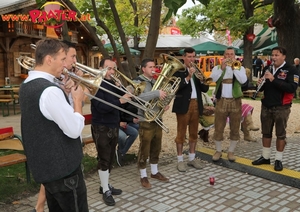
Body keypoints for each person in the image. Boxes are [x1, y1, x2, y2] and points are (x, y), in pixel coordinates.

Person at [19, 38, 88, 212]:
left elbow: (44, 121)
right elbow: (74, 130)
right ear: (49, 60)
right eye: (62, 59)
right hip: (64, 171)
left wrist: (63, 94)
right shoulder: (49, 90)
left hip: (47, 169)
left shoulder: (27, 84)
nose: (66, 65)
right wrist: (78, 102)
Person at [91, 58, 132, 206]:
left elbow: (125, 105)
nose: (112, 72)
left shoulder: (113, 84)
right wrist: (121, 100)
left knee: (109, 158)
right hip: (101, 126)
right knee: (104, 159)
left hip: (113, 125)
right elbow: (102, 107)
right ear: (100, 68)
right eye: (108, 68)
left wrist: (122, 89)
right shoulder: (95, 85)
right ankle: (105, 190)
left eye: (113, 69)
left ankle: (105, 185)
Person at [252, 46, 299, 171]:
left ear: (284, 56)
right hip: (266, 105)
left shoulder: (291, 69)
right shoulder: (268, 68)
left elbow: (292, 88)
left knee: (280, 134)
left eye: (276, 55)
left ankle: (278, 159)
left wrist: (273, 79)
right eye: (272, 55)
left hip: (281, 107)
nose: (273, 58)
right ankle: (265, 157)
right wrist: (260, 84)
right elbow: (263, 88)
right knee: (266, 133)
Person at [172, 47, 209, 172]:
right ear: (184, 57)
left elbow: (204, 90)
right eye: (189, 56)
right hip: (183, 105)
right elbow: (176, 87)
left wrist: (203, 79)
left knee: (193, 133)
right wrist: (188, 76)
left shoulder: (197, 70)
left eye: (193, 56)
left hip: (196, 105)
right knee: (181, 134)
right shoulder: (178, 70)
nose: (192, 59)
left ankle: (192, 158)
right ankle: (180, 160)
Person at [135, 58, 169, 189]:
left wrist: (164, 104)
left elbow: (161, 98)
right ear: (143, 69)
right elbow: (138, 98)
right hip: (145, 119)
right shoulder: (138, 81)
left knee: (156, 145)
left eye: (154, 66)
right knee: (145, 148)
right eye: (150, 67)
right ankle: (143, 175)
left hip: (157, 118)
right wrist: (156, 93)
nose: (153, 69)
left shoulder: (156, 81)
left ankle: (154, 172)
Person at [210, 47, 247, 162]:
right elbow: (213, 78)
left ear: (235, 56)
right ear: (224, 56)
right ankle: (218, 150)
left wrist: (234, 67)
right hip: (221, 100)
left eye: (232, 54)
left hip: (235, 100)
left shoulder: (240, 68)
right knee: (219, 127)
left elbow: (243, 81)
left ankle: (231, 151)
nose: (229, 56)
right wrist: (222, 68)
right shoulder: (217, 67)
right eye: (227, 54)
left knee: (235, 127)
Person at [116, 86, 139, 166]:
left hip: (123, 122)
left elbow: (125, 115)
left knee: (135, 131)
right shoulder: (119, 101)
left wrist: (132, 119)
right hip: (115, 124)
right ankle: (121, 152)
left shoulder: (131, 100)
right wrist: (120, 122)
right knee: (122, 136)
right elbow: (119, 114)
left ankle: (122, 152)